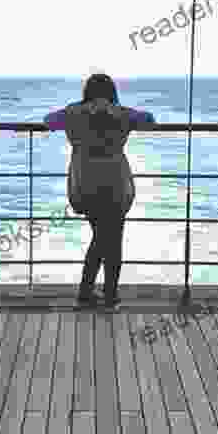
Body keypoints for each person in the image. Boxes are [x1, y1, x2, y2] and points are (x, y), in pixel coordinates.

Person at [44, 74, 155, 311]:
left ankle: (89, 294)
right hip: (115, 186)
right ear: (112, 93)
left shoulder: (74, 113)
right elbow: (149, 120)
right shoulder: (122, 114)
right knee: (111, 240)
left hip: (85, 186)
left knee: (103, 238)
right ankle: (106, 296)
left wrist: (83, 110)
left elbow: (49, 121)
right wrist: (114, 110)